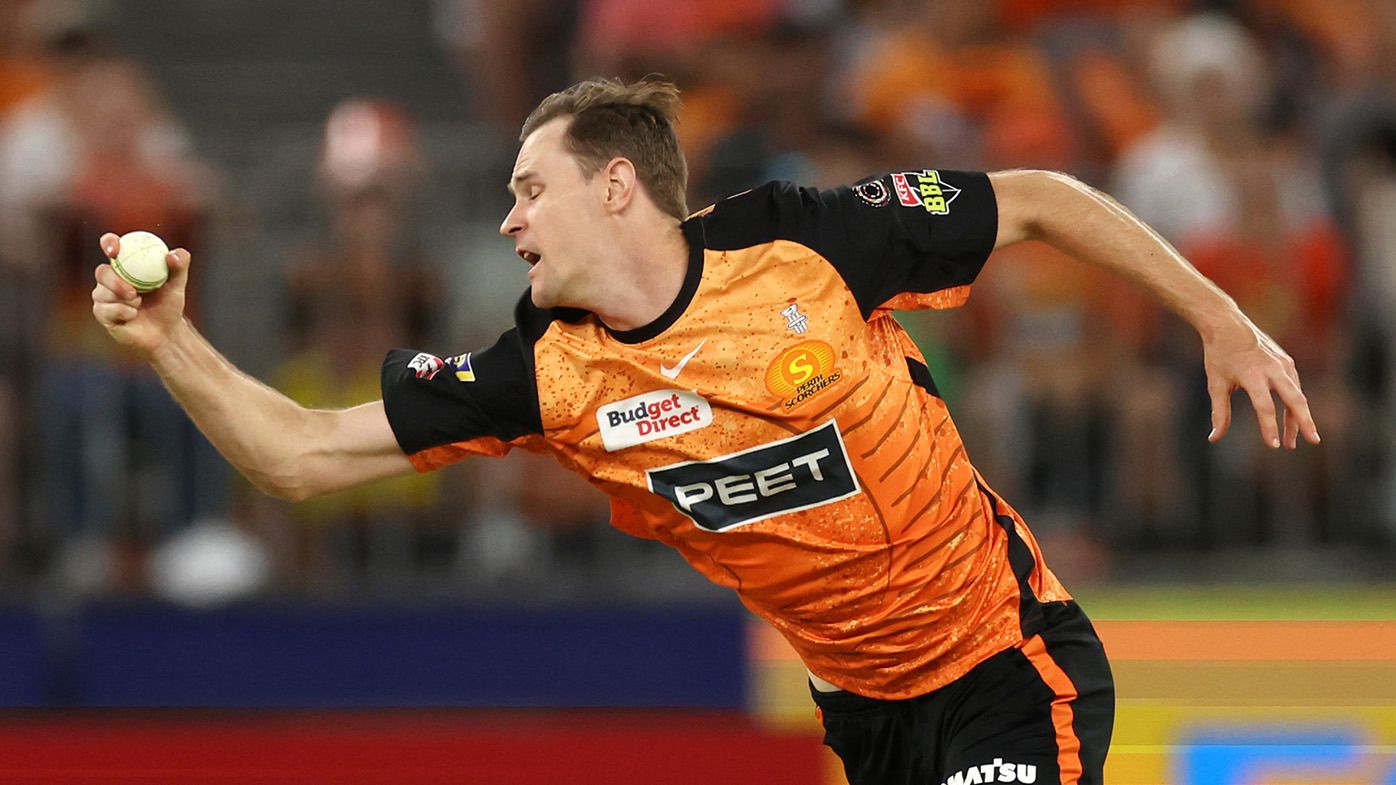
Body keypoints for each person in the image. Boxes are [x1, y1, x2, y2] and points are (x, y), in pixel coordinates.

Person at [90, 77, 1319, 785]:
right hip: (862, 711)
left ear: (614, 185)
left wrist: (1217, 316)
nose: (509, 222)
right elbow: (297, 451)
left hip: (1007, 659)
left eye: (529, 189)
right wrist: (171, 345)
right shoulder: (546, 372)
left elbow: (1040, 202)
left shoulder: (798, 238)